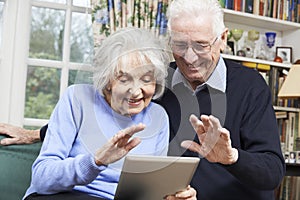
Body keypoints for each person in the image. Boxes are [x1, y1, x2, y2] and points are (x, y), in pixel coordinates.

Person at [1, 0, 285, 199]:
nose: (189, 56)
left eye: (201, 44)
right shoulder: (158, 82)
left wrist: (231, 157)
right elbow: (104, 118)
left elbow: (272, 173)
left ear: (222, 39)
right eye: (179, 44)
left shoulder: (251, 87)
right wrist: (34, 134)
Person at [12, 28, 195, 200]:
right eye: (125, 80)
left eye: (146, 80)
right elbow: (41, 179)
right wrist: (96, 162)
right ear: (107, 81)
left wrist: (172, 194)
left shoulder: (158, 116)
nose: (136, 92)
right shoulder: (77, 98)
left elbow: (152, 187)